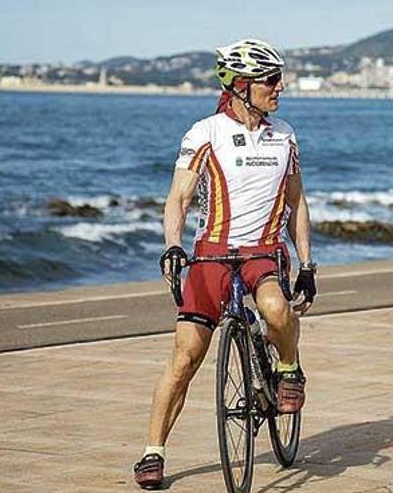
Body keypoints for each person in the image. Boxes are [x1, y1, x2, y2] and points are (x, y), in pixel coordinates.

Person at [133, 38, 317, 490]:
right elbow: (177, 198)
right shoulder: (205, 133)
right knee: (185, 358)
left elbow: (296, 203)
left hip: (261, 253)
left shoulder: (285, 136)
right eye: (270, 81)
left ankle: (288, 368)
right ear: (240, 86)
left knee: (276, 310)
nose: (280, 87)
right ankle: (152, 451)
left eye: (279, 78)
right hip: (211, 255)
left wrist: (307, 264)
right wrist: (173, 245)